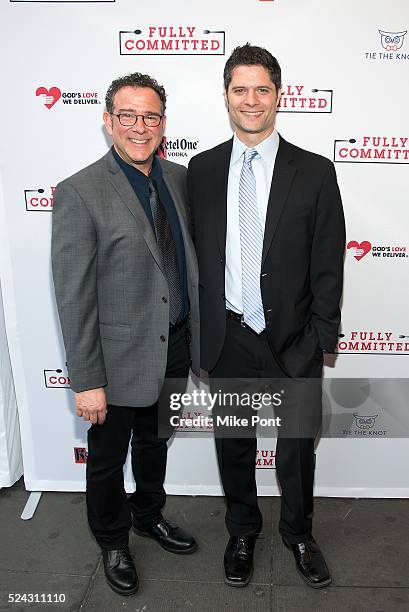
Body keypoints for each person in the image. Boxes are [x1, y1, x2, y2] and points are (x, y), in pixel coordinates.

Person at [187, 44, 345, 588]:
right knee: (234, 444)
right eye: (239, 89)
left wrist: (322, 338)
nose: (250, 101)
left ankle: (299, 534)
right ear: (225, 96)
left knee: (298, 450)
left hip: (295, 340)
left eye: (261, 89)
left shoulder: (315, 171)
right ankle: (242, 530)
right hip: (228, 336)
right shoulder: (202, 170)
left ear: (279, 95)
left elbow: (328, 261)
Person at [52, 72, 200, 596]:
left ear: (164, 123)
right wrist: (86, 379)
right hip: (114, 358)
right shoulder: (80, 191)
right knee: (108, 456)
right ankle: (113, 539)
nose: (140, 126)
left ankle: (148, 515)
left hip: (175, 346)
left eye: (151, 116)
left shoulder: (182, 179)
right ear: (109, 120)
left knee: (155, 442)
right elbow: (73, 295)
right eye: (129, 115)